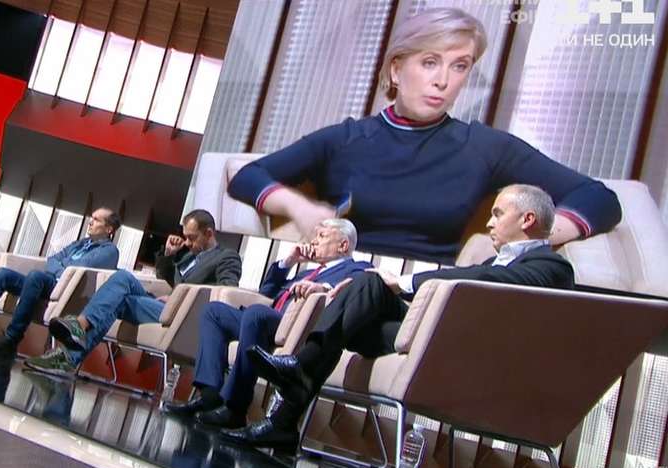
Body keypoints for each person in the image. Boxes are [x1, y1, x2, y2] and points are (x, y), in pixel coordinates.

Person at [227, 8, 622, 265]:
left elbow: (598, 198)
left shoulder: (484, 147)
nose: (443, 80)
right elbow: (247, 176)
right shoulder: (345, 139)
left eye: (460, 66)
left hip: (426, 300)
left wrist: (527, 239)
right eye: (430, 62)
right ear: (396, 70)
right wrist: (299, 208)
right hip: (336, 289)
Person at [222, 184, 575, 447]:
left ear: (528, 219)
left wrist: (404, 282)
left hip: (469, 355)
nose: (489, 222)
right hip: (433, 337)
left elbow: (488, 278)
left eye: (498, 214)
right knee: (368, 283)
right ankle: (293, 392)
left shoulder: (552, 267)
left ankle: (290, 401)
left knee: (366, 296)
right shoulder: (498, 261)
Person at [165, 218, 371, 429]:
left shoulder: (358, 268)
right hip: (263, 320)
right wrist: (289, 262)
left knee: (257, 314)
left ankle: (235, 409)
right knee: (213, 311)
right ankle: (209, 395)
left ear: (343, 245)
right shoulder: (306, 272)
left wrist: (324, 288)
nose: (314, 241)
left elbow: (356, 289)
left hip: (294, 329)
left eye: (322, 236)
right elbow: (266, 292)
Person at [23, 209, 242, 375]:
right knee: (119, 292)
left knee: (123, 280)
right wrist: (168, 254)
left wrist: (181, 297)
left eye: (192, 237)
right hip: (163, 306)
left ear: (209, 233)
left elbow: (226, 291)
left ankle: (76, 334)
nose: (187, 242)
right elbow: (167, 278)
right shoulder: (189, 255)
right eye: (185, 236)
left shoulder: (226, 257)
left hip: (183, 314)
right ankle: (69, 356)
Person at [0, 207, 121, 355]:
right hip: (48, 282)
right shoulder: (81, 243)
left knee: (35, 276)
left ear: (109, 229)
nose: (90, 222)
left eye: (96, 220)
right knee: (3, 275)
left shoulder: (109, 251)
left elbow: (80, 268)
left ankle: (11, 338)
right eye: (91, 218)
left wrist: (61, 267)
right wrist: (61, 267)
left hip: (68, 293)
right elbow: (53, 259)